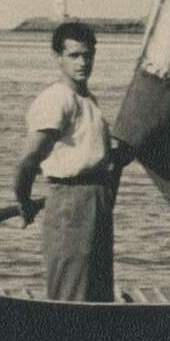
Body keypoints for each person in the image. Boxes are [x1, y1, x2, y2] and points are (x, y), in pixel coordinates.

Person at [14, 21, 126, 302]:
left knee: (97, 293)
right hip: (70, 202)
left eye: (88, 55)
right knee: (71, 292)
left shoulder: (88, 99)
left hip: (96, 200)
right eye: (74, 55)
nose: (83, 63)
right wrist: (23, 200)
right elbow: (28, 159)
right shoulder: (56, 100)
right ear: (58, 57)